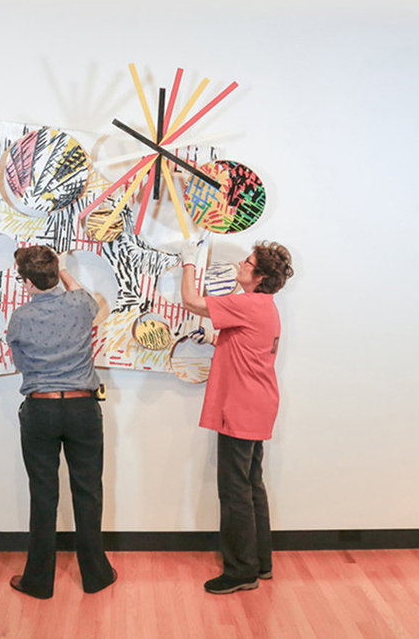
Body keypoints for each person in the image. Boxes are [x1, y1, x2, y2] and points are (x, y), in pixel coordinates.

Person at [180, 239, 294, 594]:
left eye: (247, 262)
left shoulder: (247, 304)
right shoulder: (265, 307)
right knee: (250, 483)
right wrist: (214, 342)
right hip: (257, 404)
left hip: (241, 408)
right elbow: (246, 347)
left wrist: (188, 264)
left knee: (234, 490)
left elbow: (191, 302)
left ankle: (240, 571)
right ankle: (260, 562)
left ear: (258, 277)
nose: (240, 265)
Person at [5, 245, 116, 599]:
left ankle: (38, 581)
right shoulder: (81, 304)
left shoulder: (20, 318)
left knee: (43, 495)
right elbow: (82, 293)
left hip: (41, 410)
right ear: (56, 272)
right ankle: (97, 575)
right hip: (83, 409)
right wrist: (62, 268)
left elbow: (21, 365)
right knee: (88, 491)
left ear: (25, 281)